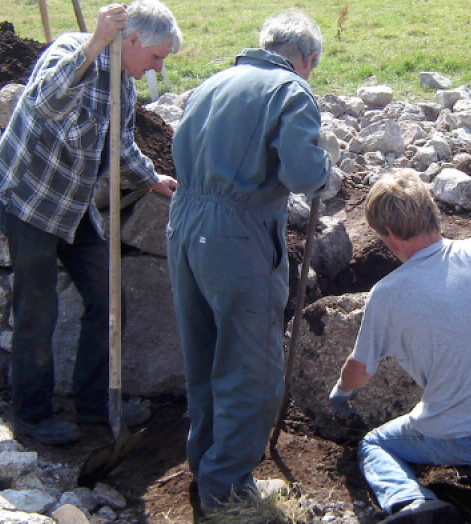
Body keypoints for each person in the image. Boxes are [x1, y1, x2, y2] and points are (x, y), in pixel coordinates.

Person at [0, 0, 182, 446]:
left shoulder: (124, 88)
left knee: (110, 299)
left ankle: (96, 403)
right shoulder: (69, 53)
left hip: (72, 206)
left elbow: (121, 146)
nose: (156, 66)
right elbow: (46, 102)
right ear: (131, 41)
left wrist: (151, 179)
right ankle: (31, 416)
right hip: (31, 200)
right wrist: (93, 45)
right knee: (37, 309)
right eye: (155, 56)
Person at [165, 9, 332, 511]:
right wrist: (328, 167)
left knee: (205, 351)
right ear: (306, 58)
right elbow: (304, 173)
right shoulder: (290, 91)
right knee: (251, 365)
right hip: (236, 234)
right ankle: (228, 490)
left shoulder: (214, 82)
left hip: (185, 223)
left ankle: (206, 463)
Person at [329, 169, 471, 523]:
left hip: (460, 436)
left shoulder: (388, 293)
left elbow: (359, 369)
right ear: (432, 210)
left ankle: (412, 504)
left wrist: (341, 393)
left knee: (374, 446)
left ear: (387, 233)